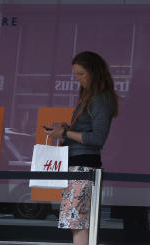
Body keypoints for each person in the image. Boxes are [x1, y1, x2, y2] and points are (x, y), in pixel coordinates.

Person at [43, 51, 119, 245]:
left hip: (83, 167)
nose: (77, 79)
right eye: (75, 74)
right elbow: (90, 133)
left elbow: (97, 138)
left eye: (81, 74)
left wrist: (65, 134)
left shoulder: (100, 99)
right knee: (78, 222)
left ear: (94, 73)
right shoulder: (94, 97)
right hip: (80, 165)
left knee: (77, 223)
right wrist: (67, 128)